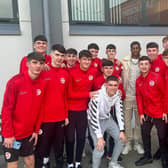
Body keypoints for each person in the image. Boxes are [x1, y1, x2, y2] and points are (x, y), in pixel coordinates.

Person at [1, 52, 46, 168]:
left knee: (30, 160)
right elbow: (6, 110)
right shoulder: (15, 82)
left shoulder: (42, 83)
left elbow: (40, 108)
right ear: (27, 64)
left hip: (28, 134)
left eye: (41, 63)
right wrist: (8, 134)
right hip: (13, 135)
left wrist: (36, 130)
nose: (38, 66)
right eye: (34, 63)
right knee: (13, 163)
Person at [35, 44, 69, 168]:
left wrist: (66, 115)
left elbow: (64, 96)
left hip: (60, 118)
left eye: (62, 56)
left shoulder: (65, 74)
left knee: (59, 147)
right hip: (45, 119)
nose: (59, 58)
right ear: (50, 55)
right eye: (57, 55)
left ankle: (59, 164)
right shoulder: (42, 71)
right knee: (42, 148)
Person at [66, 50, 98, 168]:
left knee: (81, 137)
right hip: (70, 110)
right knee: (70, 139)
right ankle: (70, 162)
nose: (87, 62)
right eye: (84, 59)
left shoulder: (93, 72)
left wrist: (118, 83)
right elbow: (69, 94)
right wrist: (88, 94)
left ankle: (78, 162)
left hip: (83, 111)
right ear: (79, 60)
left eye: (89, 60)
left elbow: (102, 81)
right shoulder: (71, 73)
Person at [135, 56, 168, 168]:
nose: (144, 66)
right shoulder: (138, 80)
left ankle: (165, 159)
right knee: (145, 134)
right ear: (139, 66)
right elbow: (139, 97)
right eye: (142, 64)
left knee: (162, 137)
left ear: (150, 65)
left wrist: (165, 111)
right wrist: (140, 113)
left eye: (146, 64)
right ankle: (147, 156)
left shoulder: (157, 77)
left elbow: (165, 95)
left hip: (159, 113)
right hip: (147, 113)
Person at [87, 76, 126, 168]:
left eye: (115, 85)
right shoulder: (97, 96)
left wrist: (122, 130)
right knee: (100, 148)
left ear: (118, 86)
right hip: (95, 121)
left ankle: (113, 163)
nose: (113, 87)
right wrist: (100, 137)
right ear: (106, 85)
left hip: (107, 119)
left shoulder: (117, 94)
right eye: (110, 85)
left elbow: (119, 112)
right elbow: (93, 118)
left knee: (121, 139)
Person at [121, 41, 144, 155]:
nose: (135, 50)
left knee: (139, 122)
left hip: (140, 97)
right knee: (127, 121)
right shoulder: (125, 62)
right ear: (131, 49)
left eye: (137, 48)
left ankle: (137, 142)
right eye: (133, 48)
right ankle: (128, 143)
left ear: (140, 49)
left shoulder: (144, 62)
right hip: (128, 96)